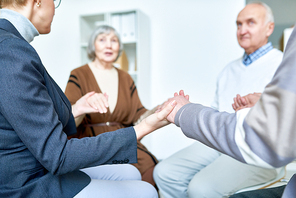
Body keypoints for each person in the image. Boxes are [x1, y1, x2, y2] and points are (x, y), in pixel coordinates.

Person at [0, 1, 177, 197]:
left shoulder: (14, 47)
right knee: (147, 192)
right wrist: (144, 128)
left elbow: (28, 115)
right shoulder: (11, 52)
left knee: (132, 171)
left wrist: (76, 108)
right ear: (38, 1)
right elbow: (57, 153)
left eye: (114, 40)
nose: (55, 7)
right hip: (30, 179)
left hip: (46, 161)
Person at [153, 2, 284, 198]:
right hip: (220, 141)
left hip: (257, 149)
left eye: (250, 23)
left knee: (201, 188)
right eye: (239, 24)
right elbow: (216, 110)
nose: (242, 30)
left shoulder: (283, 66)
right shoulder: (228, 70)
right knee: (164, 173)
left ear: (269, 28)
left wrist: (260, 106)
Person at [64, 25, 160, 187]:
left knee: (150, 168)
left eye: (114, 40)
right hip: (92, 142)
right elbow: (68, 116)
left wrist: (156, 111)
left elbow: (138, 115)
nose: (109, 45)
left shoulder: (126, 78)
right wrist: (84, 106)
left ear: (119, 47)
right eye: (102, 40)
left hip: (122, 140)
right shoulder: (79, 74)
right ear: (93, 46)